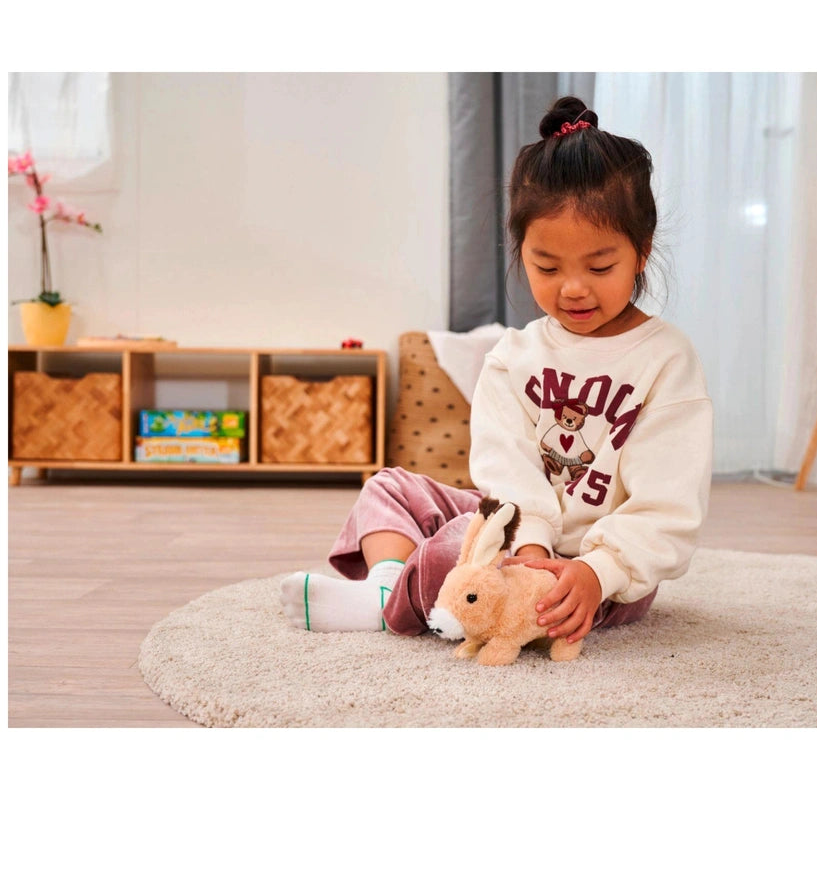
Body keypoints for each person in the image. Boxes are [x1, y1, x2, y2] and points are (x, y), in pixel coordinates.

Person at [279, 96, 713, 647]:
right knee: (391, 488)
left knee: (454, 546)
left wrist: (597, 571)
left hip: (594, 573)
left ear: (642, 252)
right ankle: (387, 586)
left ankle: (395, 604)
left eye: (600, 266)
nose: (573, 288)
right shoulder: (514, 355)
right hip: (519, 530)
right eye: (546, 267)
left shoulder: (666, 360)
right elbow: (504, 466)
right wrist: (527, 543)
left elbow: (668, 507)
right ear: (521, 252)